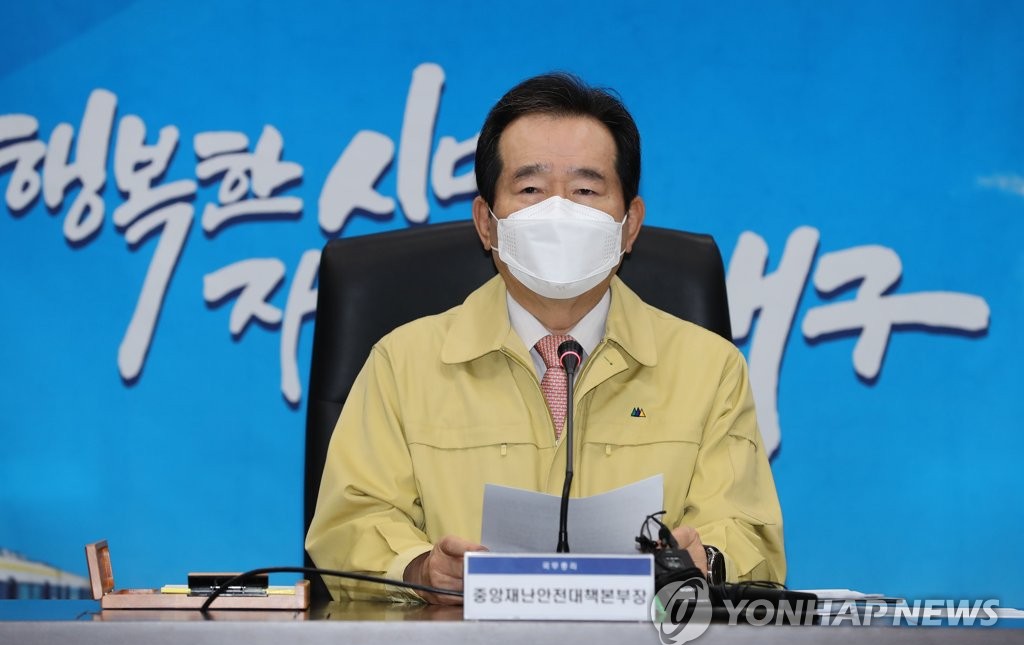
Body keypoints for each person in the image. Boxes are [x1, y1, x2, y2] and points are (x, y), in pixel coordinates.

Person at [306, 72, 785, 604]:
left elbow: (747, 532)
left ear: (630, 225)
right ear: (486, 223)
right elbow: (350, 524)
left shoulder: (710, 369)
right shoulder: (403, 363)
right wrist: (421, 571)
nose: (559, 213)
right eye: (530, 189)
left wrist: (706, 561)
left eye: (585, 190)